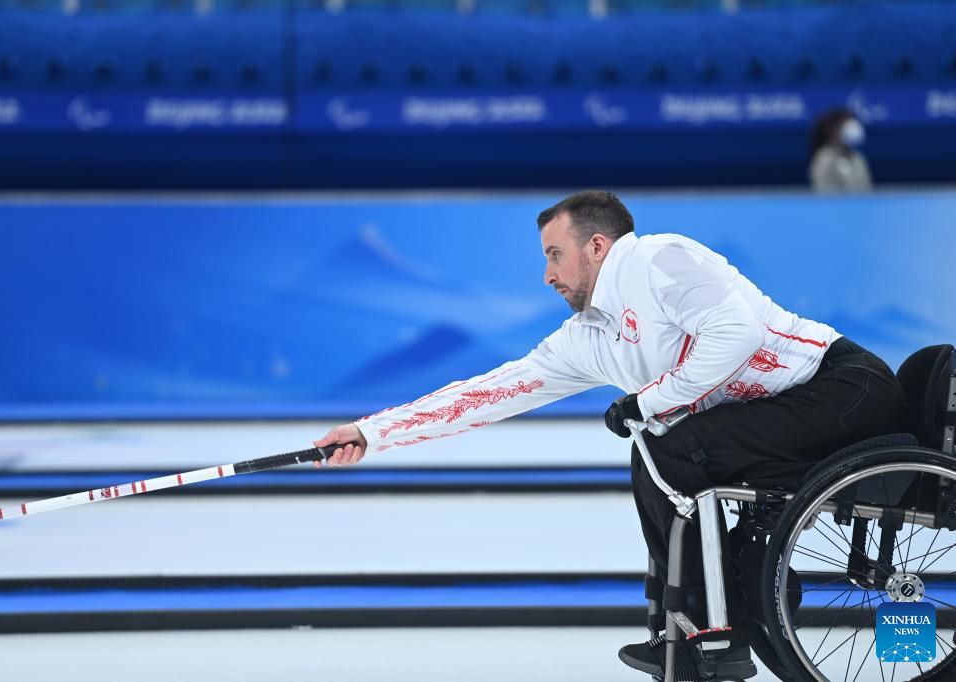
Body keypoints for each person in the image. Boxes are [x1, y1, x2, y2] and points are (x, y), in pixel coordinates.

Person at [313, 190, 906, 679]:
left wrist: (647, 401)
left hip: (845, 389)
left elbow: (737, 333)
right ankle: (712, 615)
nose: (547, 275)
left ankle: (725, 617)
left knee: (674, 444)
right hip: (790, 415)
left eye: (555, 255)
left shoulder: (658, 259)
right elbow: (492, 391)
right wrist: (372, 432)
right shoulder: (588, 337)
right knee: (655, 450)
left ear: (597, 246)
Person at [808, 108, 874, 193]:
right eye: (848, 127)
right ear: (833, 130)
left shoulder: (858, 158)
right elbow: (824, 192)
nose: (853, 131)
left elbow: (867, 189)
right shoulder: (824, 158)